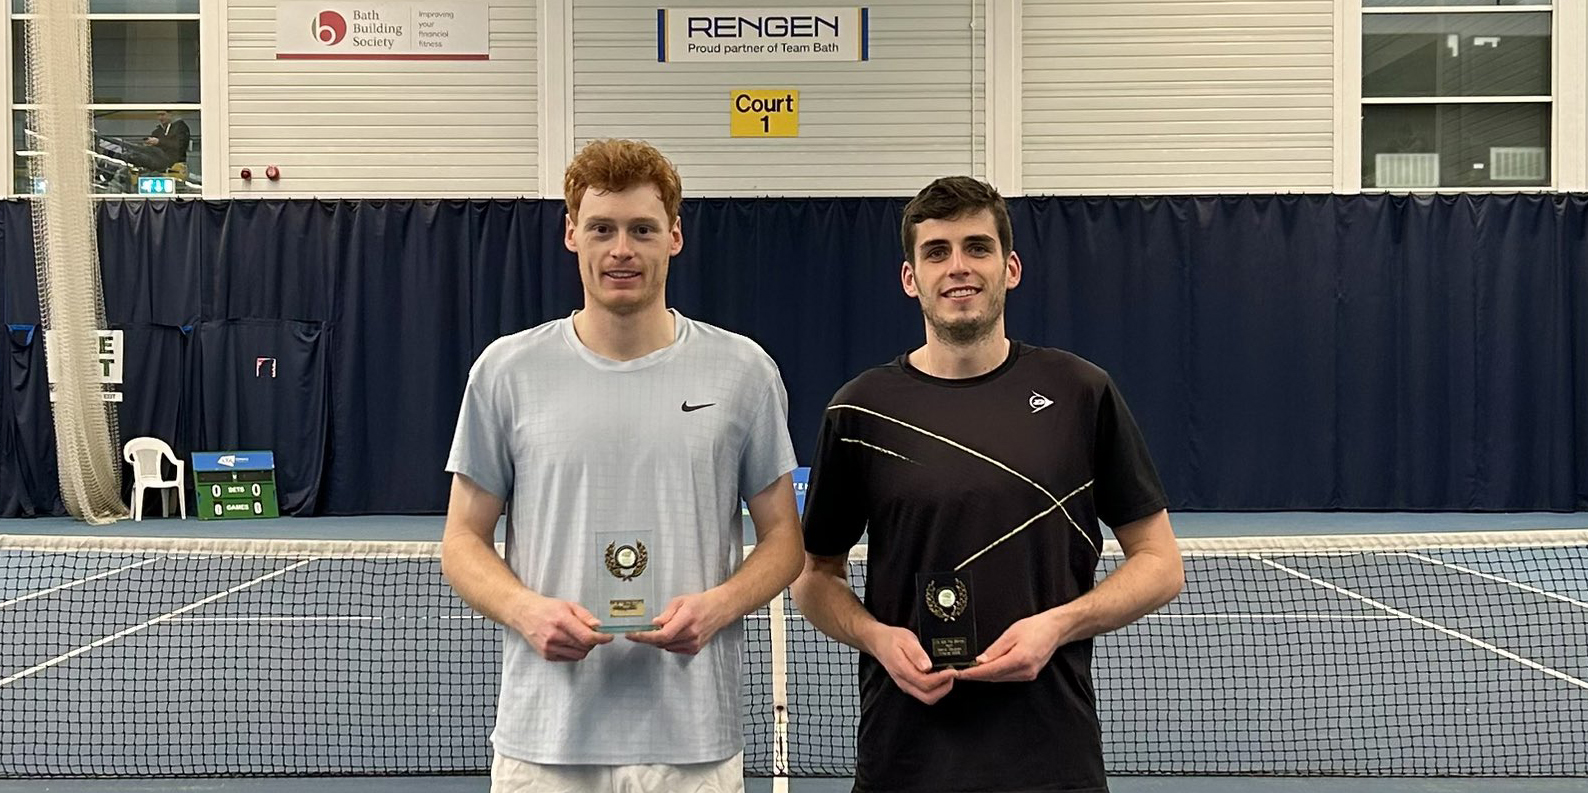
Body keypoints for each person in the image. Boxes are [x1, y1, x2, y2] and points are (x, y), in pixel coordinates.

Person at [792, 176, 1184, 792]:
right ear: (910, 278)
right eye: (937, 251)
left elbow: (1161, 564)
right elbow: (815, 578)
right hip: (905, 759)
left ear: (1011, 267)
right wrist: (876, 637)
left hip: (1052, 758)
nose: (959, 268)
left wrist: (1058, 625)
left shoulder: (1082, 392)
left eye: (978, 247)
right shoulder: (859, 411)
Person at [441, 139, 804, 793]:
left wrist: (719, 606)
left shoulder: (744, 371)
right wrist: (526, 611)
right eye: (602, 228)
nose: (621, 250)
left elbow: (784, 541)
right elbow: (462, 540)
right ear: (572, 233)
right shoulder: (504, 372)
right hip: (545, 743)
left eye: (641, 229)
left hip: (693, 743)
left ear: (675, 236)